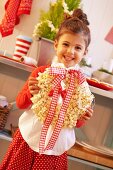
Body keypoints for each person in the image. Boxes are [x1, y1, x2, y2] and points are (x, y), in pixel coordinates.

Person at [0, 8, 94, 170]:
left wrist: (83, 118)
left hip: (55, 150)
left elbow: (74, 122)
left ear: (85, 52)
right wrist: (30, 91)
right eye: (66, 44)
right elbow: (22, 104)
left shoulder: (82, 86)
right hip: (28, 141)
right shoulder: (41, 73)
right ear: (56, 44)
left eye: (78, 48)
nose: (71, 51)